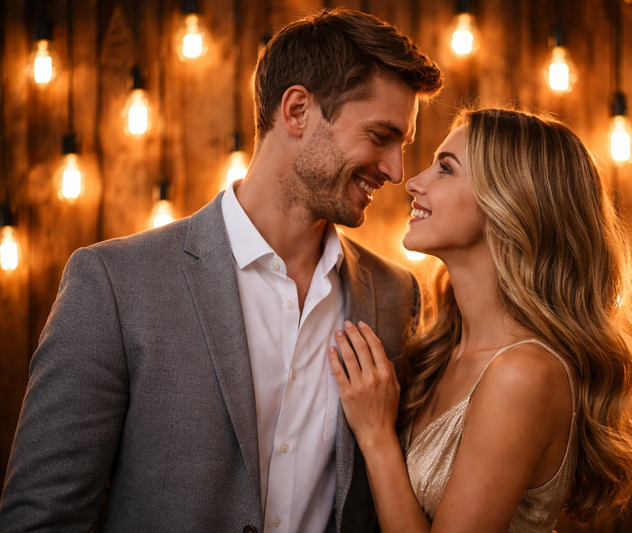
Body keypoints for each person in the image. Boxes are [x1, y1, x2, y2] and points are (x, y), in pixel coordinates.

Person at [0, 9, 443, 533]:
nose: (395, 170)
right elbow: (42, 519)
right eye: (380, 135)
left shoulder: (398, 296)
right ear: (298, 110)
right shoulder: (114, 285)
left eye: (403, 146)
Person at [329, 108, 632, 532]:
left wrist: (376, 437)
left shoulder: (523, 374)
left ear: (508, 202)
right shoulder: (441, 347)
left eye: (445, 170)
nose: (413, 182)